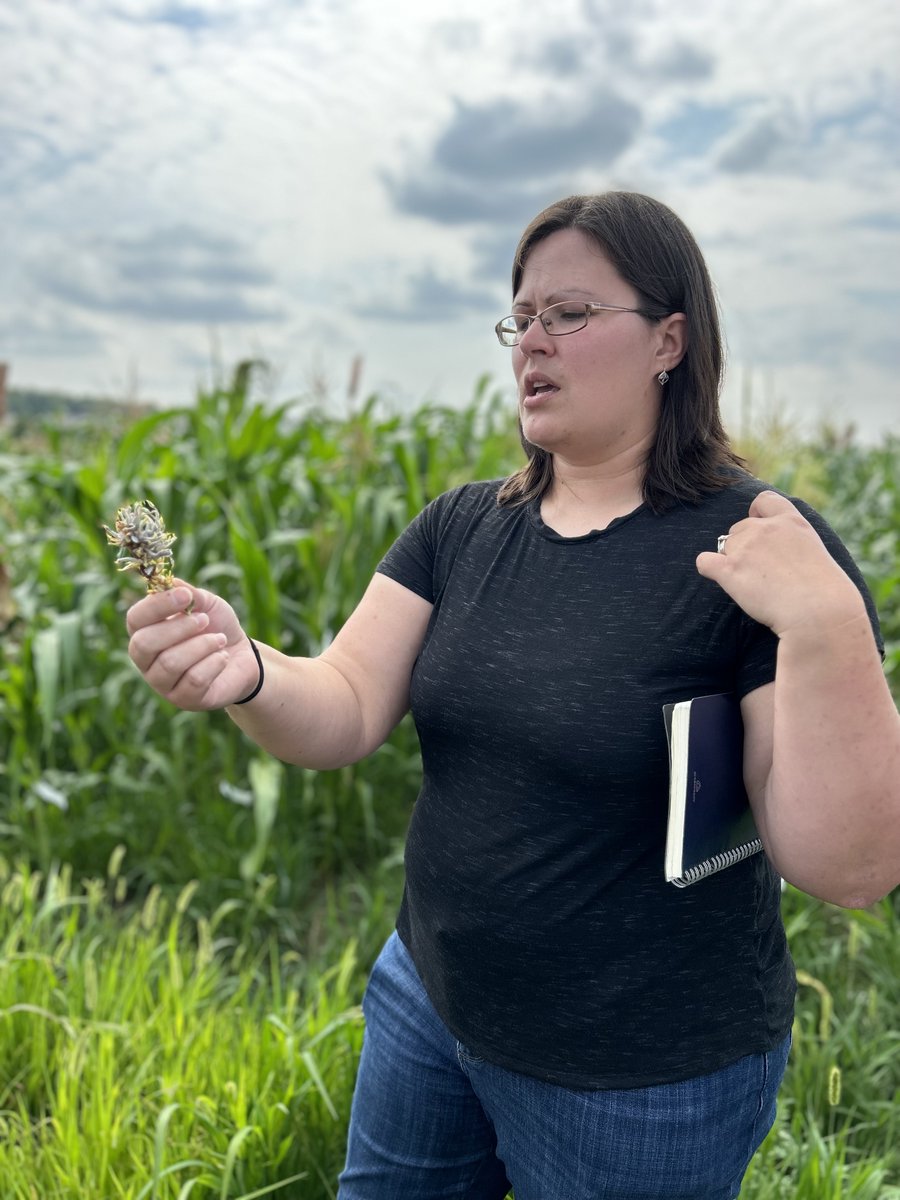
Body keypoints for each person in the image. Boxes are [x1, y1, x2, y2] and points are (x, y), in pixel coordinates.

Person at [124, 191, 900, 1200]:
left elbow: (849, 868)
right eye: (521, 317)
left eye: (569, 314)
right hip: (429, 1002)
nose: (532, 340)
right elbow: (347, 700)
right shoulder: (461, 527)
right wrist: (253, 672)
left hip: (638, 1083)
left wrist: (829, 628)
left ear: (669, 340)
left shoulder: (756, 549)